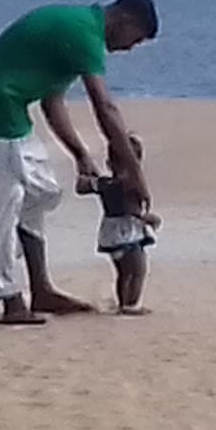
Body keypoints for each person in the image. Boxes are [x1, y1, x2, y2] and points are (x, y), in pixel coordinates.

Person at [0, 0, 159, 324]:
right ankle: (13, 302)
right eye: (134, 40)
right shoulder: (84, 33)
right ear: (124, 20)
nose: (129, 48)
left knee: (40, 192)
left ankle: (42, 289)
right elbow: (105, 108)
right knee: (2, 202)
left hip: (9, 109)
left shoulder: (77, 31)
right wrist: (136, 174)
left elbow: (52, 101)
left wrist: (80, 153)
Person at [79, 134, 161, 314]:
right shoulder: (128, 184)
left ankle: (124, 303)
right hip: (127, 230)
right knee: (138, 268)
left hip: (111, 233)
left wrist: (87, 173)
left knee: (124, 272)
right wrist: (147, 219)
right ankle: (131, 305)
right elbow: (128, 209)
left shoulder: (106, 183)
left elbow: (82, 186)